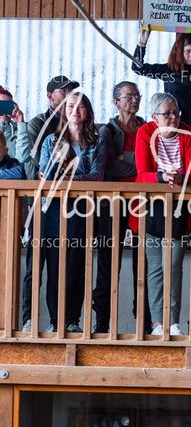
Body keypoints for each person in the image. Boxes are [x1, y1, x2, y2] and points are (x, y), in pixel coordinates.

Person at [130, 92, 191, 336]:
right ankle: (158, 323)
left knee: (173, 265)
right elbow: (142, 174)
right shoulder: (145, 132)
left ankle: (173, 322)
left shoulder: (190, 133)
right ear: (154, 117)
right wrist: (162, 177)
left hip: (179, 205)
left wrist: (179, 177)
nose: (173, 117)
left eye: (176, 112)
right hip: (151, 206)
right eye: (167, 113)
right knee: (155, 268)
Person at [39, 92, 107, 332]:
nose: (75, 111)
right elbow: (46, 175)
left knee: (76, 269)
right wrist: (68, 175)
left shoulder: (97, 141)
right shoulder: (50, 141)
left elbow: (98, 176)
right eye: (70, 106)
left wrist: (71, 177)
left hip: (83, 210)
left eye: (80, 107)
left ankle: (71, 321)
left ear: (87, 111)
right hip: (55, 211)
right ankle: (55, 321)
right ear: (63, 110)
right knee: (55, 269)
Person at [22, 74, 79, 333]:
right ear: (50, 96)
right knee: (35, 264)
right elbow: (33, 163)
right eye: (63, 91)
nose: (68, 95)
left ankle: (61, 321)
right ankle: (28, 318)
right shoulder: (38, 124)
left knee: (61, 265)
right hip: (40, 200)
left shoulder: (77, 122)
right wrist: (47, 172)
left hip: (68, 203)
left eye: (71, 90)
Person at [92, 81, 151, 334]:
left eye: (137, 96)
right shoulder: (107, 131)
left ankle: (144, 322)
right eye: (129, 96)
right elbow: (109, 166)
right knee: (108, 260)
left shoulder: (147, 128)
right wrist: (141, 165)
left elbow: (153, 164)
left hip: (143, 201)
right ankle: (102, 321)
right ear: (116, 102)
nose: (135, 100)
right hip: (113, 201)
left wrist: (125, 159)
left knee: (143, 260)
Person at [0, 86, 32, 164]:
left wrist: (21, 123)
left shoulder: (20, 130)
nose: (4, 110)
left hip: (13, 171)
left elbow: (23, 158)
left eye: (7, 105)